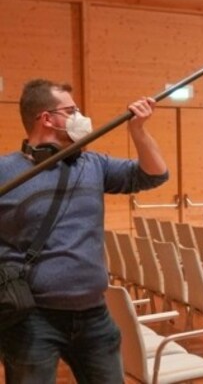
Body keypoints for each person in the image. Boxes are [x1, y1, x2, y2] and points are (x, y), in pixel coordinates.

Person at [0, 78, 168, 383]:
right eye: (71, 110)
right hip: (31, 318)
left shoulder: (93, 165)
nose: (80, 117)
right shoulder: (5, 171)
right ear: (47, 118)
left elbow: (155, 175)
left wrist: (139, 131)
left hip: (94, 315)